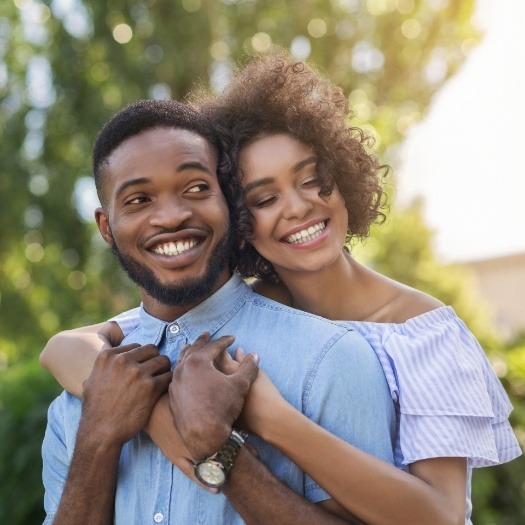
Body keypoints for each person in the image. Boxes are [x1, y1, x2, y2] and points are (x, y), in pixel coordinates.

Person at [41, 55, 522, 524]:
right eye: (265, 198)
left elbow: (441, 517)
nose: (298, 208)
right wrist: (118, 389)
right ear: (240, 219)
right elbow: (85, 343)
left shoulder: (416, 334)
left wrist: (264, 421)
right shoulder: (248, 312)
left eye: (313, 179)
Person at [41, 99, 396, 525]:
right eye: (138, 199)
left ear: (230, 202)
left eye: (195, 188)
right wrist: (98, 436)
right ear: (106, 227)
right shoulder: (75, 403)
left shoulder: (332, 360)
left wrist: (222, 452)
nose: (172, 217)